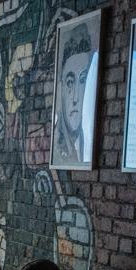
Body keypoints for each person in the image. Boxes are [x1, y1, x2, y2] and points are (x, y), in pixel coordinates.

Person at [51, 22, 94, 167]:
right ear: (60, 89)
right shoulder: (56, 149)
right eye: (70, 82)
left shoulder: (88, 144)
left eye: (82, 81)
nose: (76, 98)